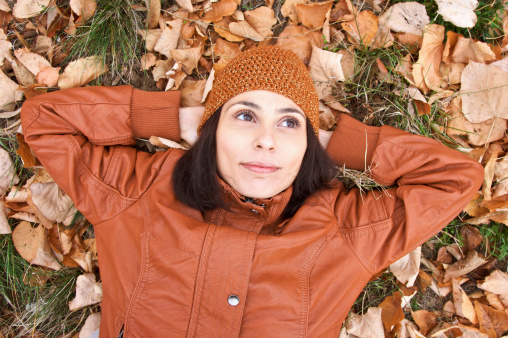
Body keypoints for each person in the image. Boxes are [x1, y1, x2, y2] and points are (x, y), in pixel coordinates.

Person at [20, 46, 483, 337]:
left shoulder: (347, 230)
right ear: (213, 129)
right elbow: (45, 122)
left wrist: (329, 143)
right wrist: (177, 118)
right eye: (244, 116)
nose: (267, 140)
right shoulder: (137, 192)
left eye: (288, 123)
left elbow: (455, 179)